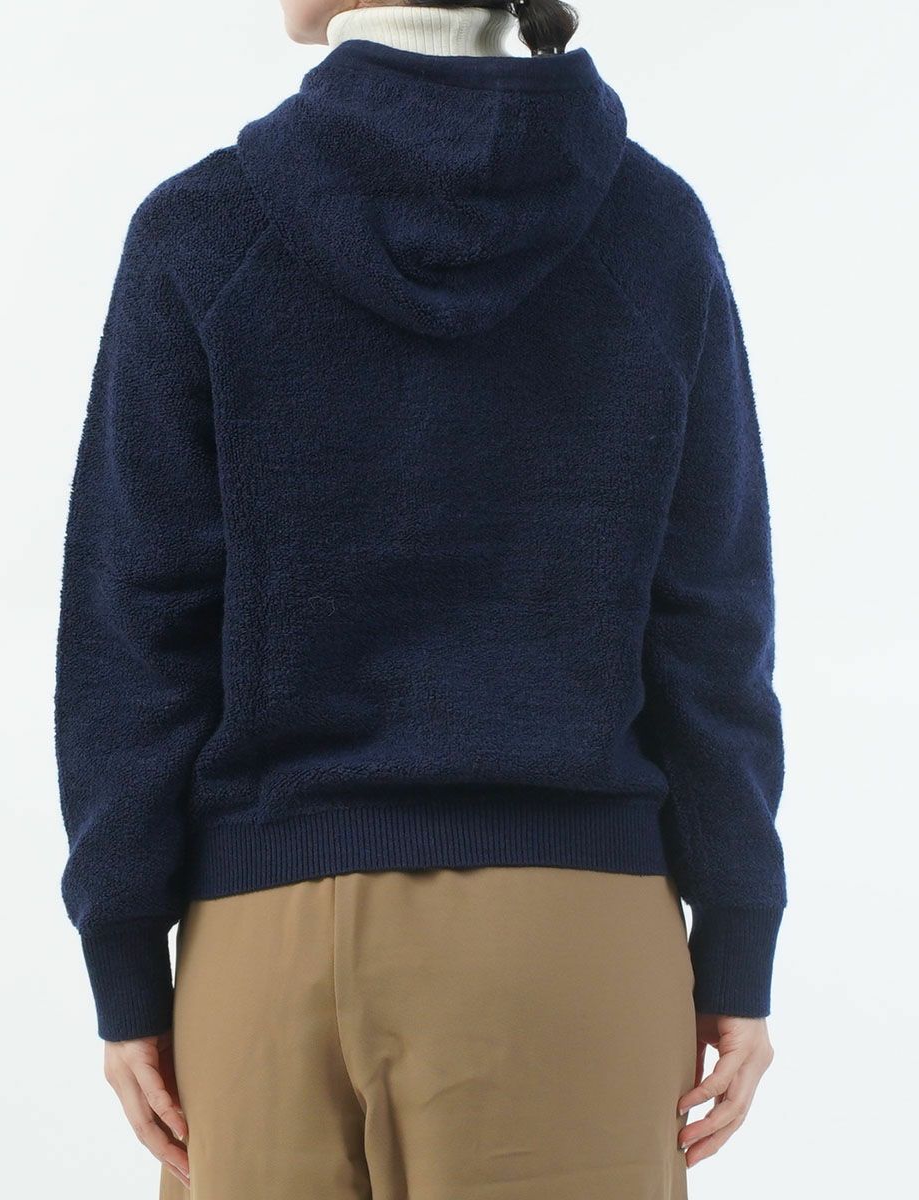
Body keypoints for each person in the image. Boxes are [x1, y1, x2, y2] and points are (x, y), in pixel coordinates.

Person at [54, 2, 788, 1196]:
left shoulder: (203, 231)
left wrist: (125, 956)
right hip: (578, 939)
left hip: (263, 937)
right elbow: (711, 623)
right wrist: (741, 937)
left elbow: (135, 633)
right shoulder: (652, 227)